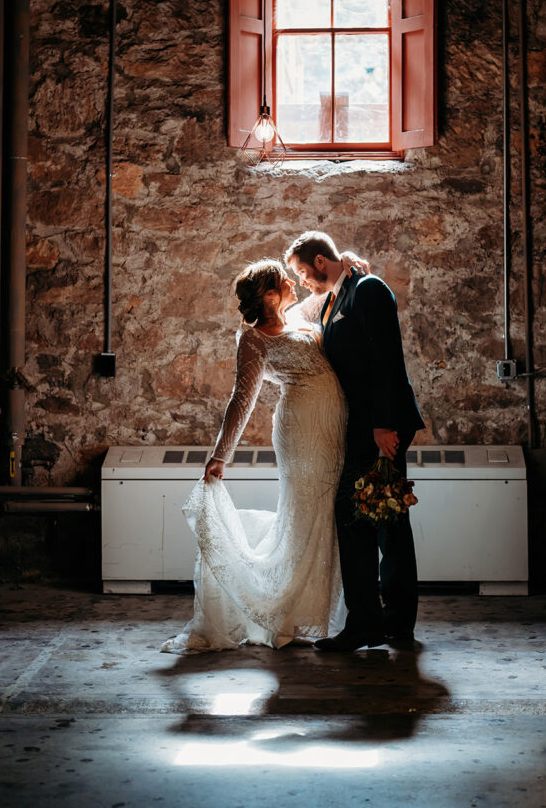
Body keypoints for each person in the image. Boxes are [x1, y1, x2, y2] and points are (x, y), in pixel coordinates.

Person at [161, 257, 351, 654]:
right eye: (285, 281)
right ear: (268, 295)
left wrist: (348, 261)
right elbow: (241, 399)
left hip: (333, 430)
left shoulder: (299, 315)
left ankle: (316, 612)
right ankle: (286, 615)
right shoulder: (253, 339)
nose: (294, 284)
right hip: (301, 433)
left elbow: (330, 288)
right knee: (306, 515)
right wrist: (220, 455)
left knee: (326, 515)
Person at [285, 231, 424, 652]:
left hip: (381, 428)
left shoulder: (369, 289)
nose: (302, 281)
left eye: (303, 272)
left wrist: (383, 425)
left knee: (386, 522)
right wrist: (344, 262)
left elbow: (388, 358)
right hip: (358, 428)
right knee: (364, 519)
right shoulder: (332, 300)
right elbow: (290, 313)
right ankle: (371, 621)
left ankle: (390, 623)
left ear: (321, 263)